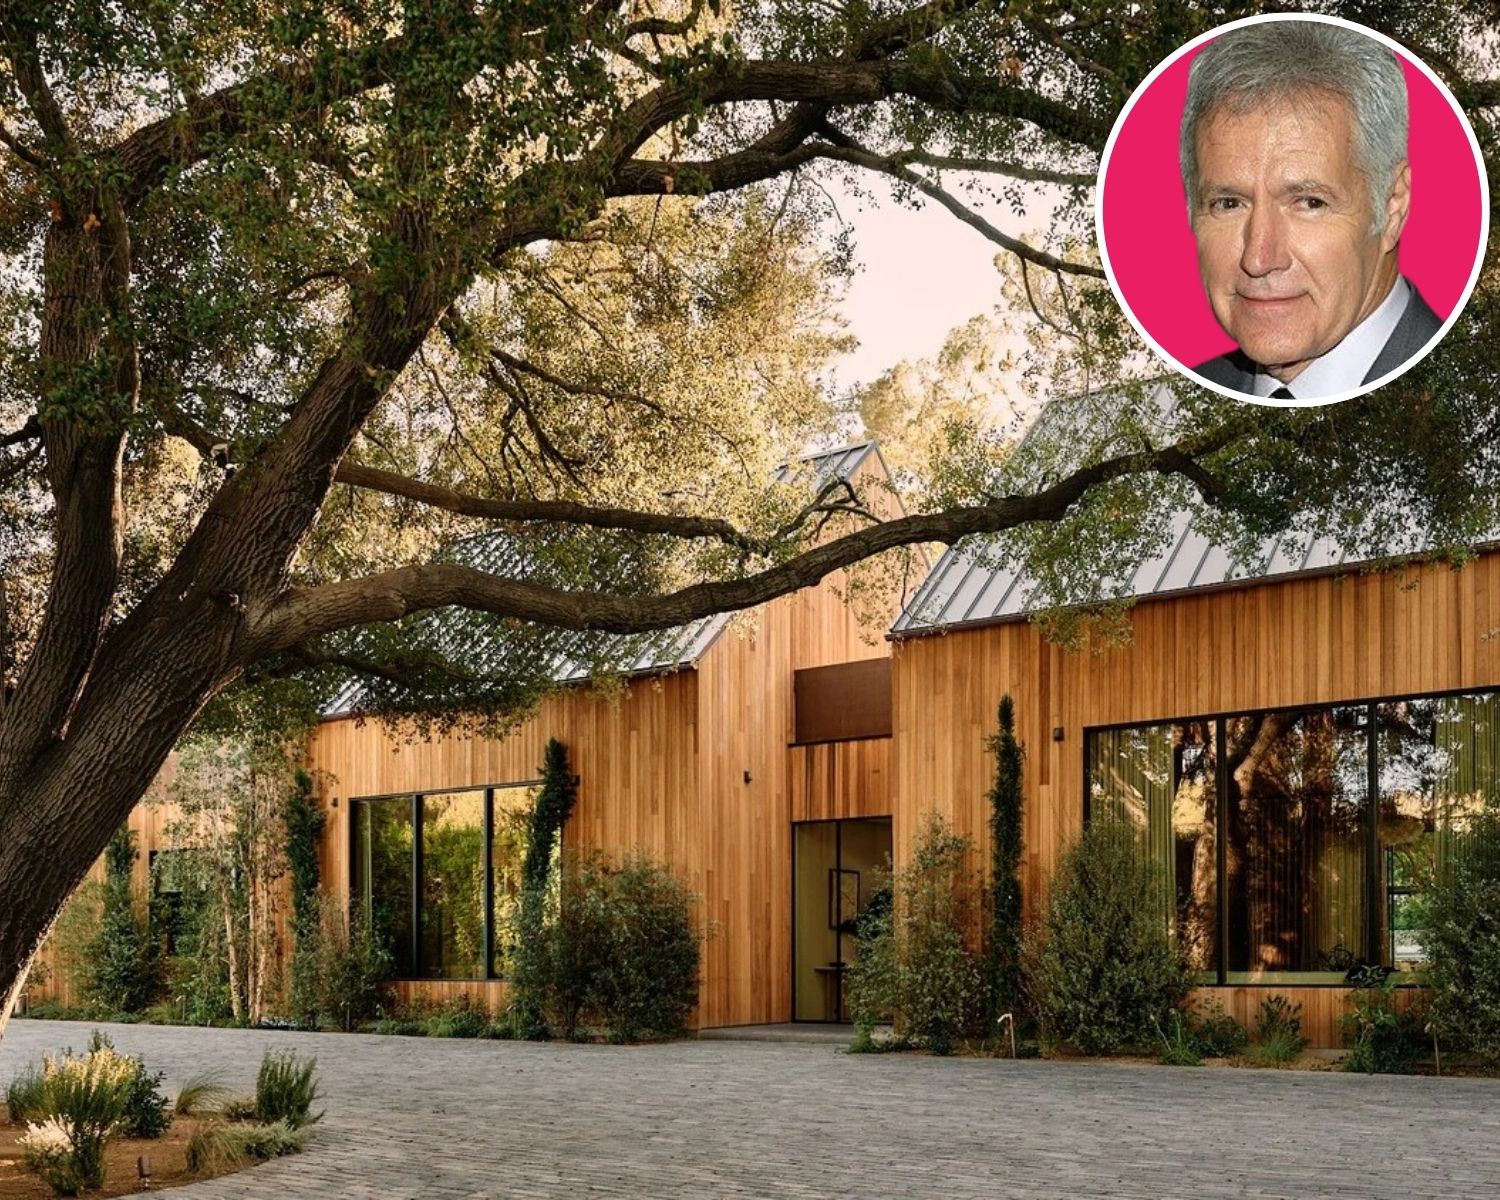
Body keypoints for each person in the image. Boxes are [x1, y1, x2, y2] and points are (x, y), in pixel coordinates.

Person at [1180, 21, 1441, 401]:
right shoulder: (1190, 394)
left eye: (1309, 203)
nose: (1258, 258)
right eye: (1228, 203)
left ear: (1392, 205)